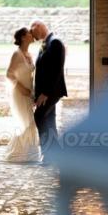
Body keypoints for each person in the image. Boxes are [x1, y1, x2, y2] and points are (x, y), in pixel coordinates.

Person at [30, 20, 67, 159]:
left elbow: (56, 71)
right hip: (46, 91)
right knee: (49, 120)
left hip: (51, 91)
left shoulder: (55, 42)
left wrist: (45, 93)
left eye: (33, 32)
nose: (33, 37)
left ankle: (50, 153)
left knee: (39, 117)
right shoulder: (47, 43)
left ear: (38, 27)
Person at [4, 27, 42, 163]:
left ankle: (28, 154)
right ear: (23, 37)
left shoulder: (29, 54)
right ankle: (18, 154)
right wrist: (21, 89)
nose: (32, 35)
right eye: (29, 34)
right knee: (27, 123)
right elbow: (9, 74)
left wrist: (32, 92)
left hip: (29, 92)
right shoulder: (17, 54)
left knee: (30, 122)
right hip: (19, 93)